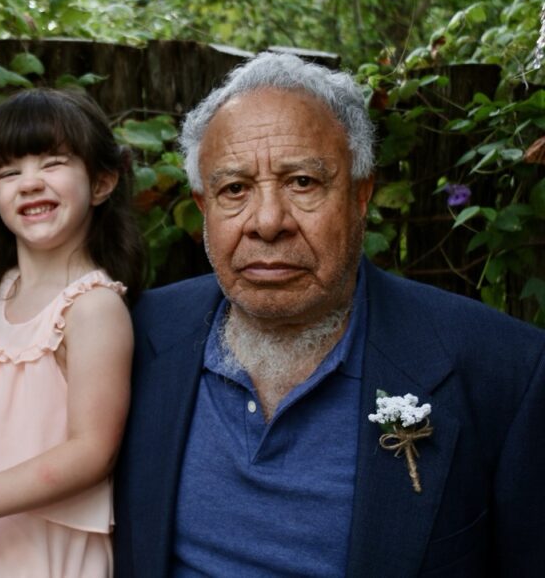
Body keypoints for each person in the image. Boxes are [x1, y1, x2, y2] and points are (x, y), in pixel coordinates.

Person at [113, 52, 545, 577]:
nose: (267, 222)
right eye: (235, 189)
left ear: (361, 196)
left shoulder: (503, 370)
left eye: (302, 183)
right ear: (204, 208)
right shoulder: (135, 333)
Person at [0, 88, 146, 577]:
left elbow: (92, 452)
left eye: (53, 163)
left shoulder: (92, 307)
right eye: (9, 173)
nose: (29, 183)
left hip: (50, 558)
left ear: (101, 182)